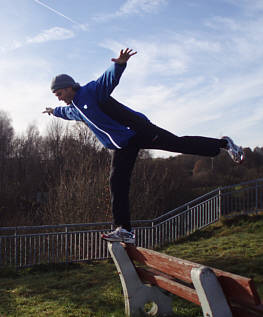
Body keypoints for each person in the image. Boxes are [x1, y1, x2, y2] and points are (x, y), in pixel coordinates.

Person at [43, 48, 244, 244]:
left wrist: (120, 65)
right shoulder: (75, 109)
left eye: (59, 93)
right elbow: (64, 113)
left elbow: (108, 80)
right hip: (122, 145)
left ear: (69, 87)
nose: (59, 97)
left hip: (138, 130)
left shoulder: (91, 91)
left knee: (178, 144)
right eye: (56, 95)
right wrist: (53, 110)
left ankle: (225, 144)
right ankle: (124, 230)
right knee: (117, 181)